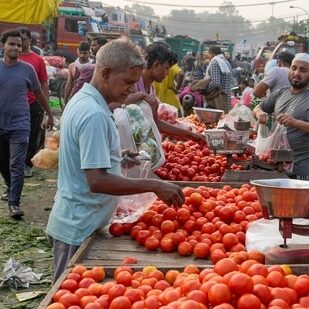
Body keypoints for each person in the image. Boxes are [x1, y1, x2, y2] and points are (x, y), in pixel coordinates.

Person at [46, 40, 185, 281]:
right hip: (78, 227)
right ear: (106, 73)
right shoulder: (94, 114)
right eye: (128, 82)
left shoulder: (84, 101)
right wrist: (155, 185)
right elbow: (97, 181)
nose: (132, 90)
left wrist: (116, 158)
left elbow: (85, 158)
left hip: (79, 220)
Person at [0, 29, 54, 218]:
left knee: (17, 164)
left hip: (20, 124)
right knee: (3, 163)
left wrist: (49, 113)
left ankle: (14, 203)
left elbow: (39, 93)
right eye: (11, 44)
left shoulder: (27, 69)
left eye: (18, 44)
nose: (15, 47)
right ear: (3, 45)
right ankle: (9, 185)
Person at [253, 53, 309, 179]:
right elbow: (258, 107)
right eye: (294, 68)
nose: (297, 73)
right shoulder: (281, 92)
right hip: (276, 165)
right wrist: (260, 113)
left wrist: (295, 122)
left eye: (303, 70)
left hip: (298, 171)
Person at [111, 42, 205, 143]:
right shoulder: (132, 82)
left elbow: (156, 123)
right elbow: (112, 105)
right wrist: (141, 95)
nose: (168, 73)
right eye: (166, 68)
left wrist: (191, 134)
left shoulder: (150, 89)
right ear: (156, 65)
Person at [18, 27, 50, 178]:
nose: (21, 42)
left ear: (30, 40)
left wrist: (46, 108)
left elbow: (44, 84)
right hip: (15, 104)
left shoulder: (37, 60)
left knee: (32, 134)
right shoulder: (12, 58)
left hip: (33, 103)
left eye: (24, 39)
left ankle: (27, 164)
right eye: (19, 38)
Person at [204, 45, 233, 111]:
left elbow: (215, 83)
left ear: (211, 53)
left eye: (208, 54)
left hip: (217, 100)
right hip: (226, 98)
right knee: (224, 119)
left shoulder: (215, 62)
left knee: (214, 119)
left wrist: (205, 90)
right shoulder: (226, 62)